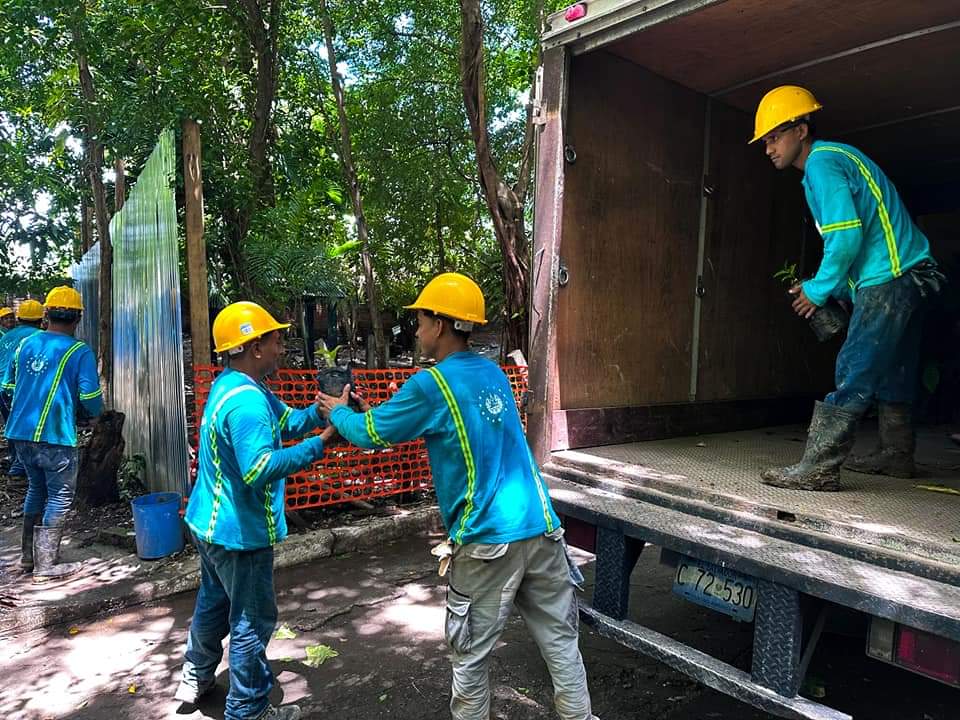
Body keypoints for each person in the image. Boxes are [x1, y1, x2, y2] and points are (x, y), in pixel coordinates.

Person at [318, 273, 597, 720]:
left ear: (441, 325)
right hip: (542, 527)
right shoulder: (491, 372)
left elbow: (372, 435)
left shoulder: (432, 385)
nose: (417, 329)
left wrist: (340, 413)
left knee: (470, 656)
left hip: (488, 539)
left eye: (422, 320)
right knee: (562, 644)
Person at [751, 86, 941, 491]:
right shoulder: (836, 159)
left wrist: (818, 290)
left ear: (801, 129)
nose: (768, 148)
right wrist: (838, 289)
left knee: (854, 366)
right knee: (895, 367)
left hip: (889, 279)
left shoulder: (822, 163)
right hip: (911, 276)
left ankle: (819, 468)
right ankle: (896, 454)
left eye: (774, 137)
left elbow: (847, 236)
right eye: (764, 141)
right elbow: (861, 234)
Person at [176, 301, 336, 720]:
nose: (282, 346)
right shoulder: (247, 403)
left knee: (213, 602)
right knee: (252, 620)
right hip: (239, 533)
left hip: (209, 525)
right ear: (254, 346)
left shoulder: (236, 385)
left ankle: (196, 676)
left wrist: (319, 413)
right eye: (275, 339)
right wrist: (322, 444)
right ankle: (247, 709)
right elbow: (259, 468)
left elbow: (286, 422)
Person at [1, 288, 101, 580]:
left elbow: (7, 388)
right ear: (78, 318)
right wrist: (94, 416)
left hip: (20, 434)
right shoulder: (78, 351)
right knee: (59, 495)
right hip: (55, 435)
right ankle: (47, 566)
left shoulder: (25, 345)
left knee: (36, 488)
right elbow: (91, 395)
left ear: (47, 314)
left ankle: (27, 557)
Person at [0, 300, 45, 480]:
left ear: (19, 318)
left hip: (3, 389)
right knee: (33, 426)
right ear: (42, 319)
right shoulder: (41, 337)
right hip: (24, 390)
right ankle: (26, 468)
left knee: (13, 424)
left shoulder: (6, 336)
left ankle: (16, 464)